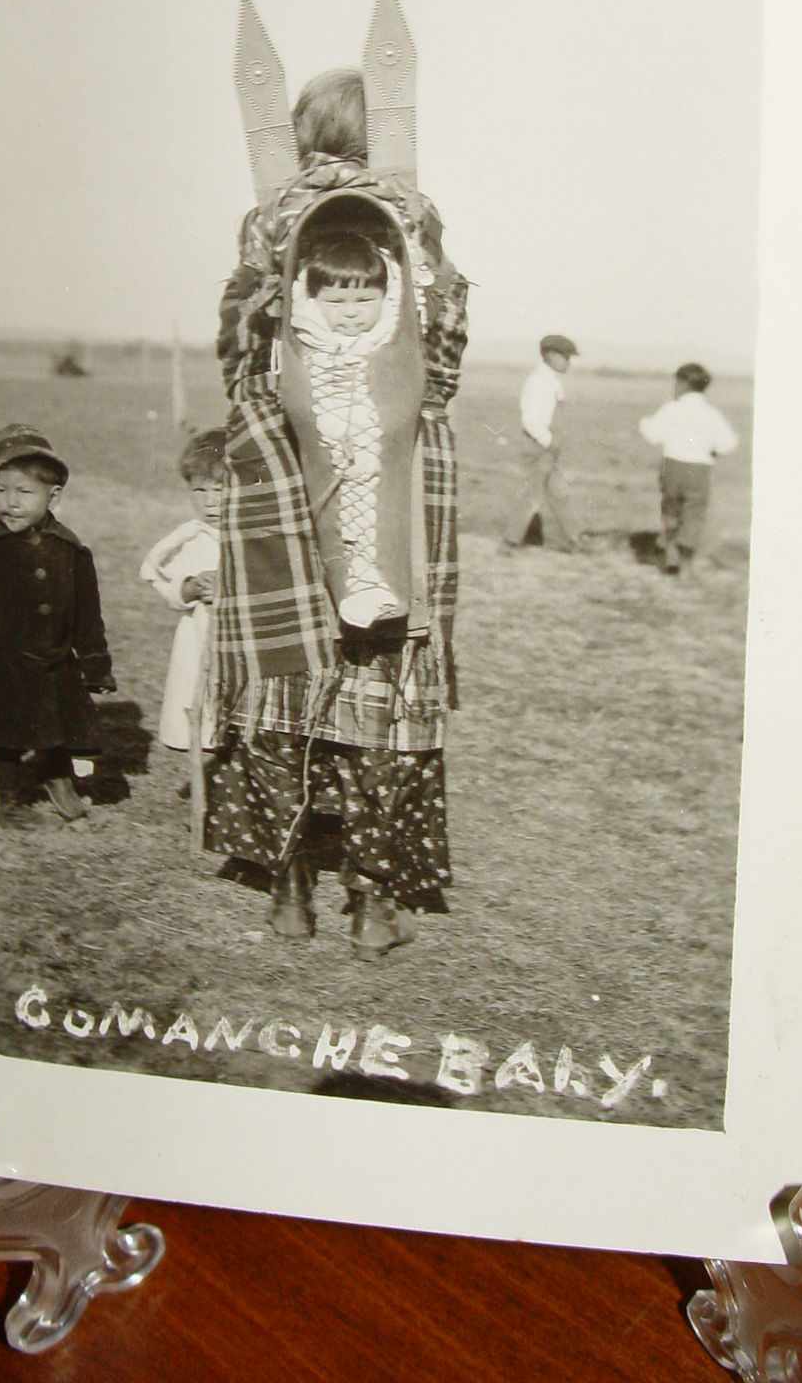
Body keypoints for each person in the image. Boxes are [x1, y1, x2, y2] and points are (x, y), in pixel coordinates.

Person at [204, 65, 469, 958]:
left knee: (291, 686)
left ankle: (294, 894)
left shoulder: (275, 216)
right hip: (377, 472)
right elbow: (445, 357)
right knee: (380, 688)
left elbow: (236, 352)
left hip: (293, 469)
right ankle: (372, 900)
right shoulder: (411, 215)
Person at [0, 424, 116, 821]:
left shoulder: (71, 551)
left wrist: (95, 664)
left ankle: (57, 779)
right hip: (0, 662)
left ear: (53, 496)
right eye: (0, 491)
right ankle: (10, 798)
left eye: (24, 492)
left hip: (54, 662)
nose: (11, 502)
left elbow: (87, 616)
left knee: (57, 727)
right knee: (6, 736)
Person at [289, 228, 407, 630]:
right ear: (312, 300)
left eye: (364, 300)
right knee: (330, 519)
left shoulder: (388, 340)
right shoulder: (309, 340)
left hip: (374, 452)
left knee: (372, 516)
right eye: (336, 302)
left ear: (385, 299)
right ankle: (347, 584)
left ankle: (369, 584)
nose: (351, 312)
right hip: (324, 451)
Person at [140, 428, 224, 752]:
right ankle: (204, 768)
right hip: (200, 634)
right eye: (199, 490)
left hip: (240, 639)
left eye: (220, 490)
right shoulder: (189, 537)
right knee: (197, 698)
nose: (210, 501)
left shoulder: (250, 536)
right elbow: (159, 577)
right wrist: (189, 588)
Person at [638, 361, 739, 575]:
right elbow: (727, 443)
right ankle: (685, 565)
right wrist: (712, 451)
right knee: (694, 514)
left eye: (676, 382)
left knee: (671, 511)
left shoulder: (671, 409)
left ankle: (669, 556)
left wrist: (644, 423)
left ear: (683, 384)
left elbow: (653, 435)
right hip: (699, 469)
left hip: (672, 466)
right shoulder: (712, 414)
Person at [501, 333, 583, 550]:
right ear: (550, 355)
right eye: (565, 357)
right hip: (540, 447)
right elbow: (530, 420)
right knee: (532, 496)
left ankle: (576, 540)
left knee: (559, 494)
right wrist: (548, 442)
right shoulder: (540, 382)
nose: (568, 362)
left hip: (547, 448)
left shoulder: (551, 381)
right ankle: (510, 542)